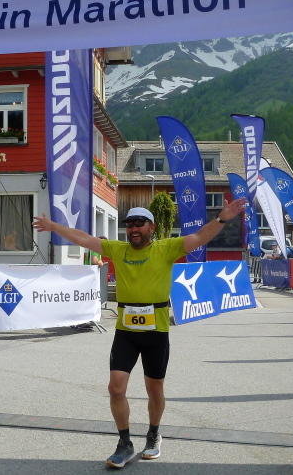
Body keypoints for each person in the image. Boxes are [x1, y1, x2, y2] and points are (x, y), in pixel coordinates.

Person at [33, 198, 245, 468]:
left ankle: (154, 434)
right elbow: (83, 238)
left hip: (156, 331)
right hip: (126, 331)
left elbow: (200, 237)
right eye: (130, 224)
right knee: (115, 387)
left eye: (139, 224)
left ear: (151, 227)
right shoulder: (118, 249)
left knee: (154, 389)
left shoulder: (166, 248)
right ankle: (124, 443)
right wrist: (53, 226)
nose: (133, 228)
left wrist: (222, 218)